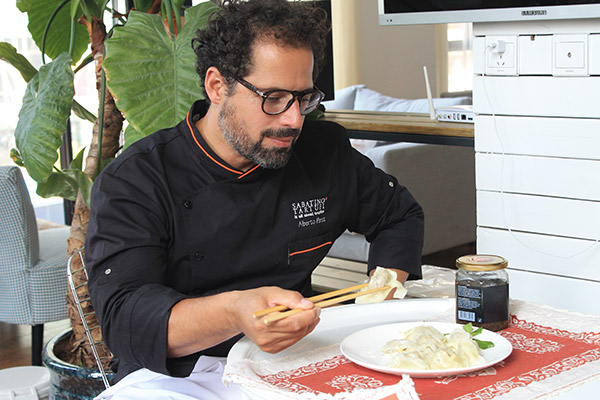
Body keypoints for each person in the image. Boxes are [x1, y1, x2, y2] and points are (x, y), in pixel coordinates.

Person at [85, 0, 424, 398]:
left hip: (295, 356)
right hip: (179, 377)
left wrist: (381, 289)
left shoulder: (322, 152)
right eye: (274, 97)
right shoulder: (137, 179)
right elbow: (126, 318)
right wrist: (235, 312)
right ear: (217, 86)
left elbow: (398, 215)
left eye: (303, 98)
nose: (294, 119)